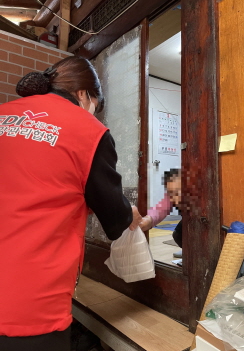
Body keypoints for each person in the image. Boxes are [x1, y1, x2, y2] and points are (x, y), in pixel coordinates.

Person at [0, 56, 142, 351]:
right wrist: (131, 214)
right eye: (95, 105)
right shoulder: (88, 131)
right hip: (28, 303)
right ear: (83, 94)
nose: (94, 113)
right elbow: (115, 221)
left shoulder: (4, 114)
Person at [139, 169, 182, 257]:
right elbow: (159, 210)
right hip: (187, 221)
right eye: (170, 193)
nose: (174, 198)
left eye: (177, 193)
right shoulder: (171, 197)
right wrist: (146, 220)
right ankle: (188, 251)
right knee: (178, 234)